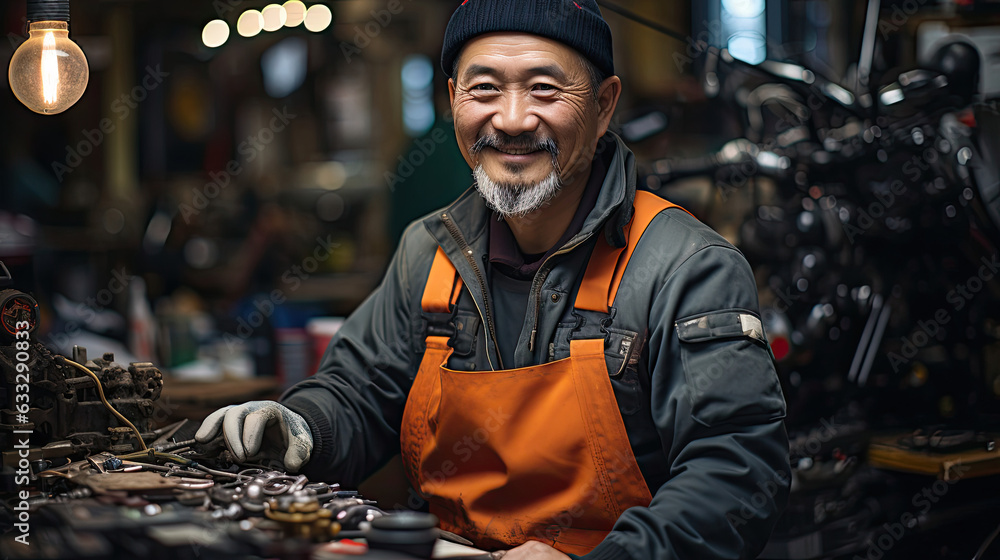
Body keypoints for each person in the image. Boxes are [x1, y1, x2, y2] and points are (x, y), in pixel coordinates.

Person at [196, 1, 790, 558]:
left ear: (605, 105)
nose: (510, 119)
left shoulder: (684, 268)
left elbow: (736, 471)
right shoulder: (426, 253)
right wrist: (303, 427)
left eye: (544, 88)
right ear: (454, 99)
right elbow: (361, 390)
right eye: (483, 89)